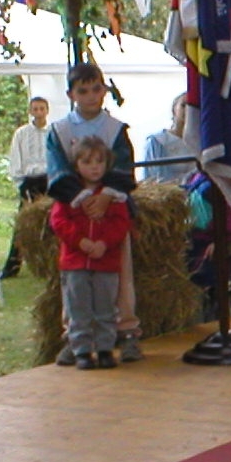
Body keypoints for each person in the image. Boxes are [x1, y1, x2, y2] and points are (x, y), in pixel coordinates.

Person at [47, 63, 142, 361]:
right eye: (83, 91)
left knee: (119, 275)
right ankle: (75, 338)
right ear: (71, 94)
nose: (90, 96)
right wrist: (84, 198)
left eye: (96, 89)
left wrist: (105, 197)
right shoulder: (59, 131)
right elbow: (57, 170)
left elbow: (123, 168)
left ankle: (126, 331)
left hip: (111, 209)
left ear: (104, 90)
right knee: (74, 282)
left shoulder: (116, 129)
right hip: (75, 210)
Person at [49, 137, 131, 369]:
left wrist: (104, 243)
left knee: (106, 309)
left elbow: (121, 224)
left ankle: (105, 349)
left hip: (106, 262)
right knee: (78, 309)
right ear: (76, 166)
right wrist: (80, 241)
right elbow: (59, 222)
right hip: (75, 263)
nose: (94, 167)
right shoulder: (67, 195)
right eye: (87, 162)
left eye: (99, 161)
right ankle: (82, 351)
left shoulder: (114, 196)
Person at [0, 95, 51, 279]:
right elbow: (15, 157)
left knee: (51, 223)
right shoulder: (22, 133)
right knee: (23, 224)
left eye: (41, 109)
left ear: (47, 111)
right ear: (30, 111)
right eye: (35, 109)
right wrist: (20, 182)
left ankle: (49, 266)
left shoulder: (52, 132)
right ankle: (12, 267)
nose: (38, 112)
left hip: (49, 180)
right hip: (30, 180)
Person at [140, 93, 198, 186]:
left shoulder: (201, 141)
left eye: (193, 106)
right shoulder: (157, 141)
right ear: (174, 109)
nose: (188, 110)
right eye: (183, 105)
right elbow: (152, 178)